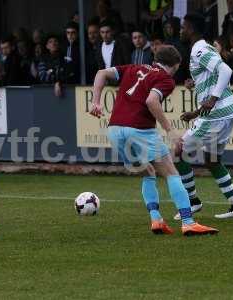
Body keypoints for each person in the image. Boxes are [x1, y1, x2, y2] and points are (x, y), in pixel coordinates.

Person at [90, 45, 218, 236]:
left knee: (148, 172)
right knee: (171, 172)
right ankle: (188, 222)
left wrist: (96, 101)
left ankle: (156, 219)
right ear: (175, 65)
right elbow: (151, 101)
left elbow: (101, 73)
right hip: (139, 129)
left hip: (115, 130)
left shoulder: (133, 68)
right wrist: (170, 131)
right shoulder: (166, 79)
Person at [176, 13, 233, 220]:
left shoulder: (199, 50)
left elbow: (226, 70)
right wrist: (197, 104)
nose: (181, 30)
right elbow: (214, 77)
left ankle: (193, 202)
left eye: (183, 26)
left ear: (191, 29)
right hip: (225, 112)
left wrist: (213, 99)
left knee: (179, 150)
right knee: (212, 159)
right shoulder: (203, 49)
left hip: (217, 114)